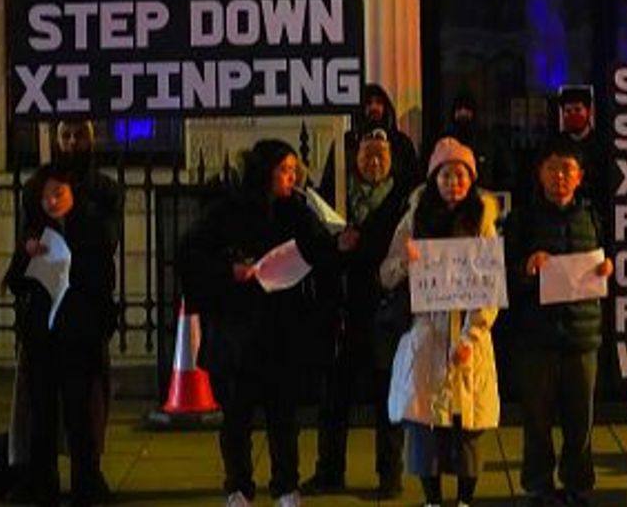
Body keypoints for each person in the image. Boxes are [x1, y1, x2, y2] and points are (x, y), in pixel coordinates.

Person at [179, 139, 349, 507]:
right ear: (264, 171)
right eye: (283, 170)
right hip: (236, 329)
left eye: (293, 170)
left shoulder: (298, 210)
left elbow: (319, 252)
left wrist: (338, 247)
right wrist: (230, 269)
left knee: (283, 415)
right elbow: (191, 253)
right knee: (237, 417)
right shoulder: (227, 210)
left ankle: (285, 486)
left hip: (282, 330)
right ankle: (238, 486)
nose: (290, 178)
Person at [380, 138, 501, 507]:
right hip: (425, 334)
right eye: (446, 174)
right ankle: (432, 499)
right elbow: (386, 274)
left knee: (469, 426)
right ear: (434, 178)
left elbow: (489, 289)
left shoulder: (483, 222)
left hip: (467, 338)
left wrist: (471, 335)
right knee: (424, 425)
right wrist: (407, 263)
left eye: (461, 175)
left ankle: (465, 499)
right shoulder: (414, 218)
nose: (454, 182)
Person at [12, 121, 121, 504]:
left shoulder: (101, 199)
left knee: (80, 410)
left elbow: (106, 253)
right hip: (44, 325)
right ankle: (42, 482)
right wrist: (27, 254)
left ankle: (86, 482)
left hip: (81, 323)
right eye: (66, 136)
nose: (72, 143)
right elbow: (18, 268)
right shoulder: (35, 204)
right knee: (42, 410)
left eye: (79, 135)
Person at [304, 123, 414, 499]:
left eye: (381, 155)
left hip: (384, 312)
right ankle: (328, 470)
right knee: (335, 397)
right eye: (367, 153)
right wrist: (338, 246)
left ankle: (389, 474)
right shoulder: (335, 196)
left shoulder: (403, 200)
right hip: (343, 311)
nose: (374, 161)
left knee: (388, 398)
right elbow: (315, 249)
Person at [506, 138, 612, 507]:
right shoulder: (522, 219)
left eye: (567, 169)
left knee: (580, 421)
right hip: (536, 338)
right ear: (540, 174)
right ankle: (538, 485)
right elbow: (501, 277)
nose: (559, 177)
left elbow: (606, 262)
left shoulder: (593, 217)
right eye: (552, 169)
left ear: (579, 176)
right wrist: (525, 267)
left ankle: (578, 484)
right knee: (537, 421)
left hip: (583, 337)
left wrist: (606, 268)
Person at [320, 84, 422, 205]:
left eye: (379, 103)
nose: (374, 108)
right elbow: (330, 186)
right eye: (368, 103)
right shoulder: (346, 142)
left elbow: (413, 184)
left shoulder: (402, 143)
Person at [440, 93, 515, 193]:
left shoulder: (489, 141)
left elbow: (507, 174)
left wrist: (490, 191)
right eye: (459, 110)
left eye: (467, 110)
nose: (463, 114)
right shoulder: (443, 143)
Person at [555, 87, 608, 217]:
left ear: (588, 112)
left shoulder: (602, 144)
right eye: (568, 111)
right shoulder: (556, 145)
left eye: (578, 110)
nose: (573, 115)